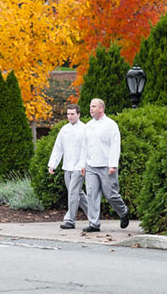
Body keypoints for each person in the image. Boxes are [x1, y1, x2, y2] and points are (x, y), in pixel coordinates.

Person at [79, 98, 129, 232]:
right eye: (90, 106)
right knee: (91, 194)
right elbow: (84, 147)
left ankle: (123, 212)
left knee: (111, 194)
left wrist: (113, 165)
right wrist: (83, 164)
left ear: (101, 109)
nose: (91, 109)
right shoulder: (88, 126)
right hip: (91, 166)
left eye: (94, 106)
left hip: (106, 166)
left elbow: (115, 146)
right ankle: (94, 224)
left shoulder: (111, 125)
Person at [47, 104, 88, 229]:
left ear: (78, 114)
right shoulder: (64, 129)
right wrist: (52, 164)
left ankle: (70, 220)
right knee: (76, 193)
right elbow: (58, 147)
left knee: (73, 193)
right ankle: (93, 215)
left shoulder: (85, 129)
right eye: (68, 114)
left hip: (79, 167)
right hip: (67, 166)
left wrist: (84, 165)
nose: (70, 116)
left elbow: (88, 149)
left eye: (72, 114)